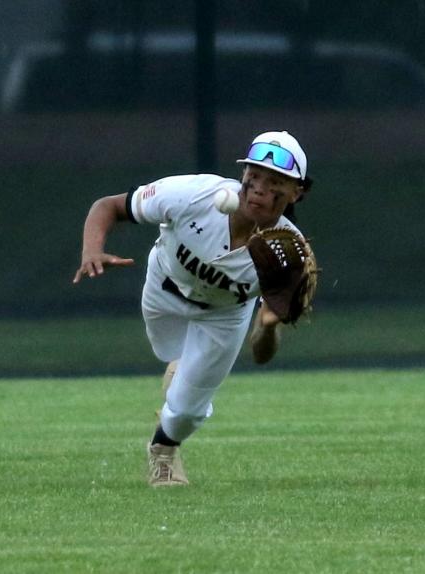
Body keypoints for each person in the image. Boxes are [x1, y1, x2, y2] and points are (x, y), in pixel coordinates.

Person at [72, 131, 314, 487]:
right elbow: (107, 206)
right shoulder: (193, 194)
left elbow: (262, 356)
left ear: (297, 192)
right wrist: (92, 250)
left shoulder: (287, 254)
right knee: (170, 356)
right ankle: (182, 369)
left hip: (225, 316)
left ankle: (163, 451)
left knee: (186, 411)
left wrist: (267, 326)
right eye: (254, 175)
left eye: (275, 181)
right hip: (163, 289)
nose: (260, 187)